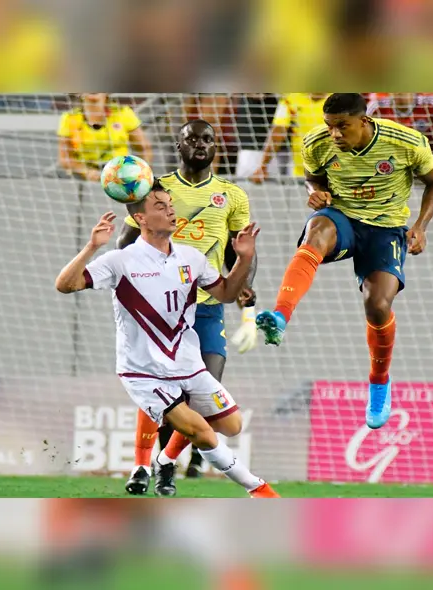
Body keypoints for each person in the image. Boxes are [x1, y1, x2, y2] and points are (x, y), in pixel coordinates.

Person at [54, 186, 279, 499]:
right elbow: (65, 285)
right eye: (160, 206)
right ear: (141, 219)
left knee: (232, 425)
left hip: (188, 365)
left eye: (170, 204)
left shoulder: (192, 258)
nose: (171, 210)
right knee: (201, 431)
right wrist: (92, 246)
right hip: (144, 373)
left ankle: (163, 460)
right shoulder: (120, 260)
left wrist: (244, 259)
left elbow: (227, 294)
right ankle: (259, 489)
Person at [255, 93, 433, 429]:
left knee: (377, 305)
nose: (335, 134)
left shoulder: (405, 141)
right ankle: (281, 316)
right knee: (316, 233)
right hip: (341, 217)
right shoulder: (316, 142)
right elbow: (313, 177)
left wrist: (420, 226)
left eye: (342, 126)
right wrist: (314, 192)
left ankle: (379, 383)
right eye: (330, 126)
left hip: (385, 228)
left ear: (364, 120)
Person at [118, 120, 257, 497]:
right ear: (178, 146)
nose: (200, 144)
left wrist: (243, 289)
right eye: (191, 139)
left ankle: (164, 462)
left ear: (216, 146)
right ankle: (143, 465)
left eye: (208, 139)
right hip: (163, 312)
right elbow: (125, 242)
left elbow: (241, 250)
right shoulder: (155, 190)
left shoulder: (232, 196)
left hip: (208, 308)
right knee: (160, 391)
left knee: (203, 394)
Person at [57, 93, 153, 182]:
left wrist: (139, 174)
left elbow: (144, 149)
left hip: (121, 176)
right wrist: (86, 171)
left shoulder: (123, 113)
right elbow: (65, 159)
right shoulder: (70, 118)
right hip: (85, 179)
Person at [248, 93, 329, 184]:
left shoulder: (339, 99)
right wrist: (263, 166)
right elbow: (278, 132)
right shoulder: (290, 99)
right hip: (301, 172)